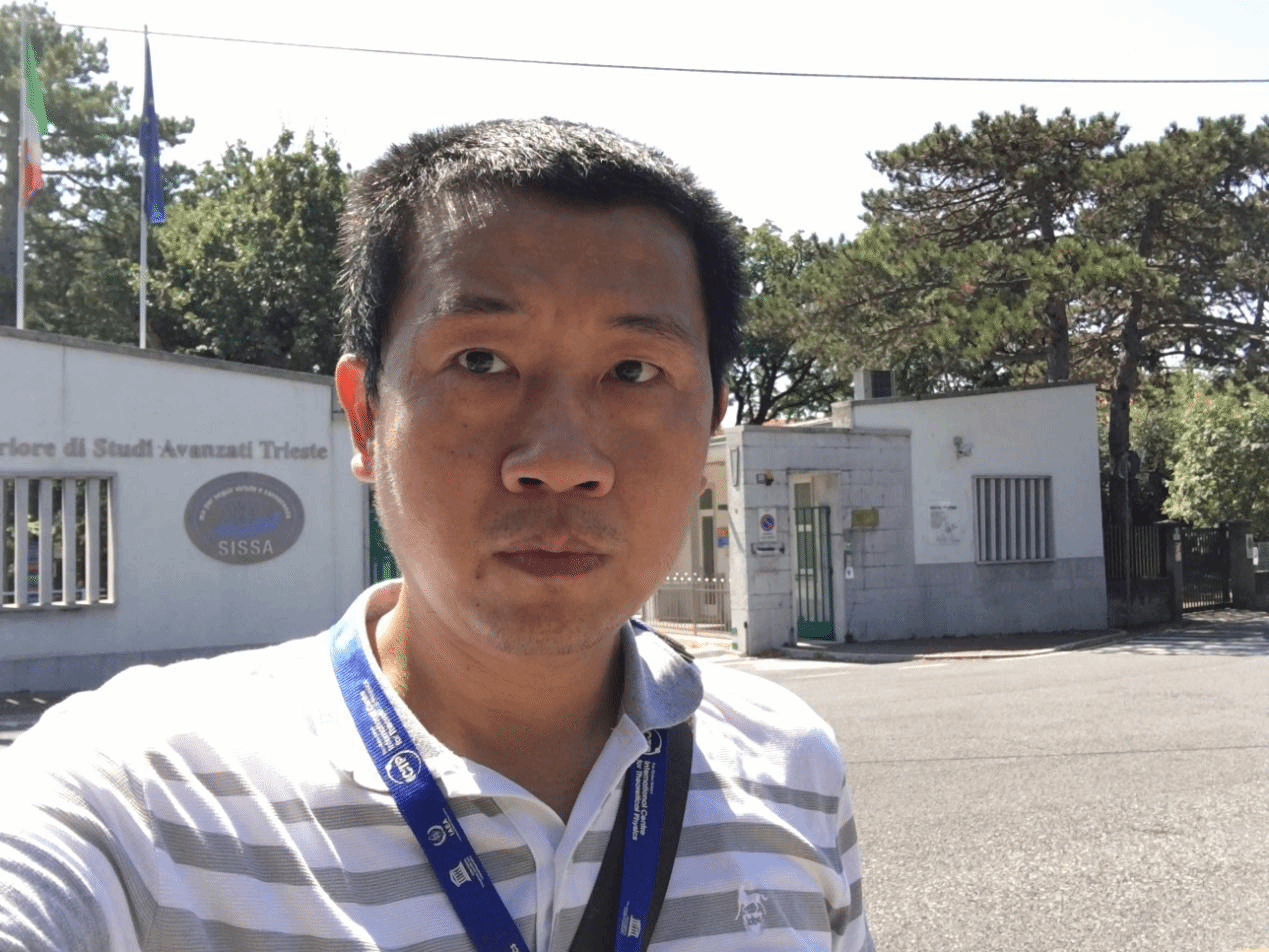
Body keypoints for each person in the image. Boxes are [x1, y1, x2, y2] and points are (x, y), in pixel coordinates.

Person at [0, 118, 874, 952]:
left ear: (709, 428)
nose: (560, 460)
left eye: (633, 370)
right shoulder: (142, 790)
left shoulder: (791, 766)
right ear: (364, 417)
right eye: (480, 361)